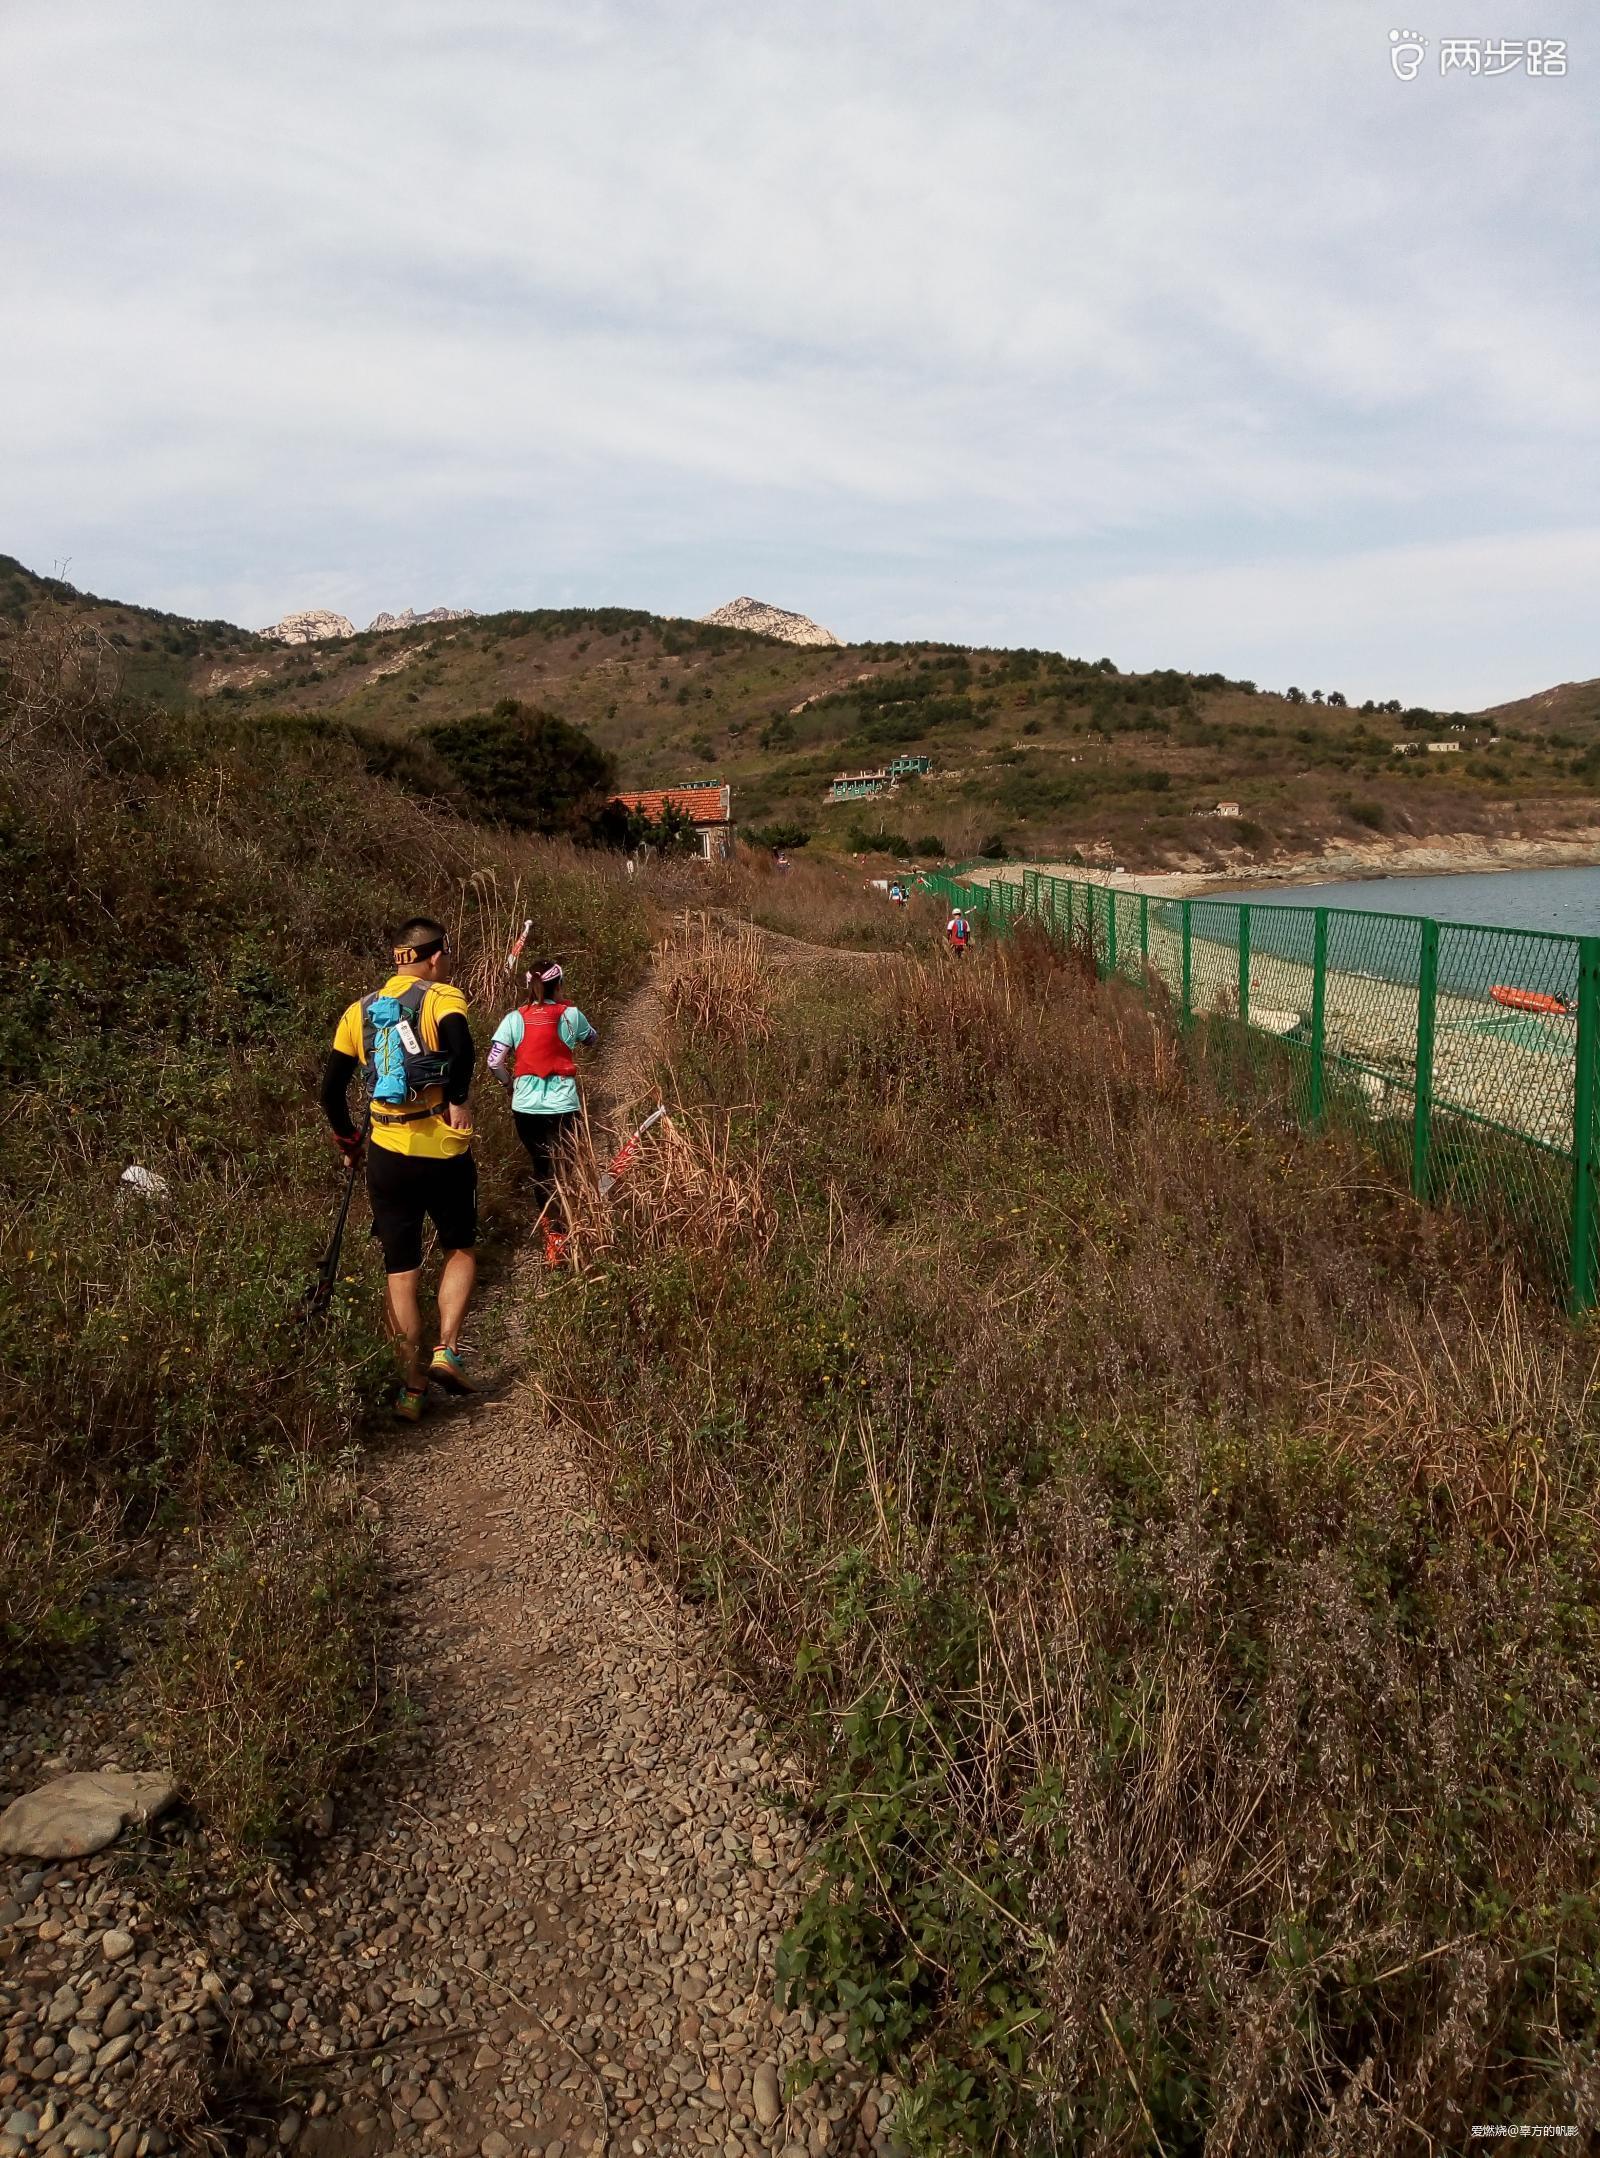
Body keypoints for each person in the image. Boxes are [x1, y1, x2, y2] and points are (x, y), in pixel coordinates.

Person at [321, 916, 478, 1422]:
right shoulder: (442, 997)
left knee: (400, 1272)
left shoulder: (359, 1011)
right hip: (442, 1150)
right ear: (433, 956)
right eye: (445, 955)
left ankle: (412, 1391)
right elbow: (462, 1049)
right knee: (458, 1247)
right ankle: (446, 1351)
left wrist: (350, 1141)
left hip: (387, 1154)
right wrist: (456, 1099)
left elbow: (330, 1089)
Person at [487, 960, 598, 1267]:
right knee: (564, 1168)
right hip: (563, 1106)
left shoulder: (513, 1019)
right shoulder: (571, 1015)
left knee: (541, 1167)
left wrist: (509, 1084)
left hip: (525, 1107)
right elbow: (591, 1039)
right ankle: (569, 1228)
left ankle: (553, 1238)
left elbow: (494, 1061)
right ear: (558, 984)